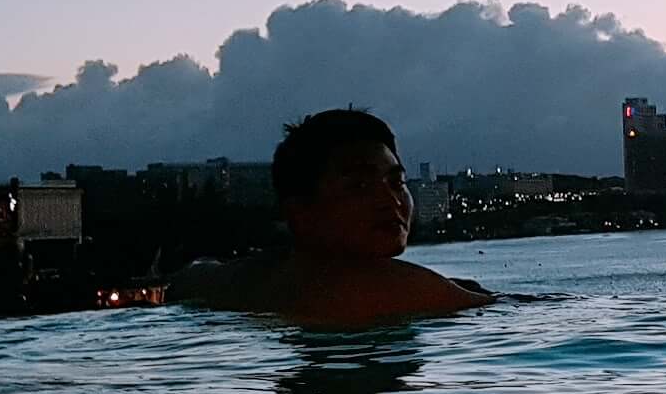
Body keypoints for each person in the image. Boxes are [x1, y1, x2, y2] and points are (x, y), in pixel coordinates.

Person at [169, 108, 493, 325]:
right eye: (359, 185)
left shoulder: (234, 281)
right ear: (300, 209)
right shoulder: (401, 287)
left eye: (397, 182)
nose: (389, 199)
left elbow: (190, 277)